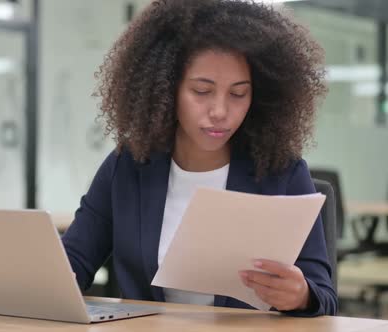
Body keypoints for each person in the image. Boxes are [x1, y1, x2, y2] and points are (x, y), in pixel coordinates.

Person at [61, 0, 337, 317]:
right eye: (202, 91)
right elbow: (74, 261)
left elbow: (324, 296)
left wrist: (301, 295)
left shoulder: (281, 171)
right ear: (166, 89)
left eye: (238, 93)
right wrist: (56, 278)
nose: (220, 111)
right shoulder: (128, 165)